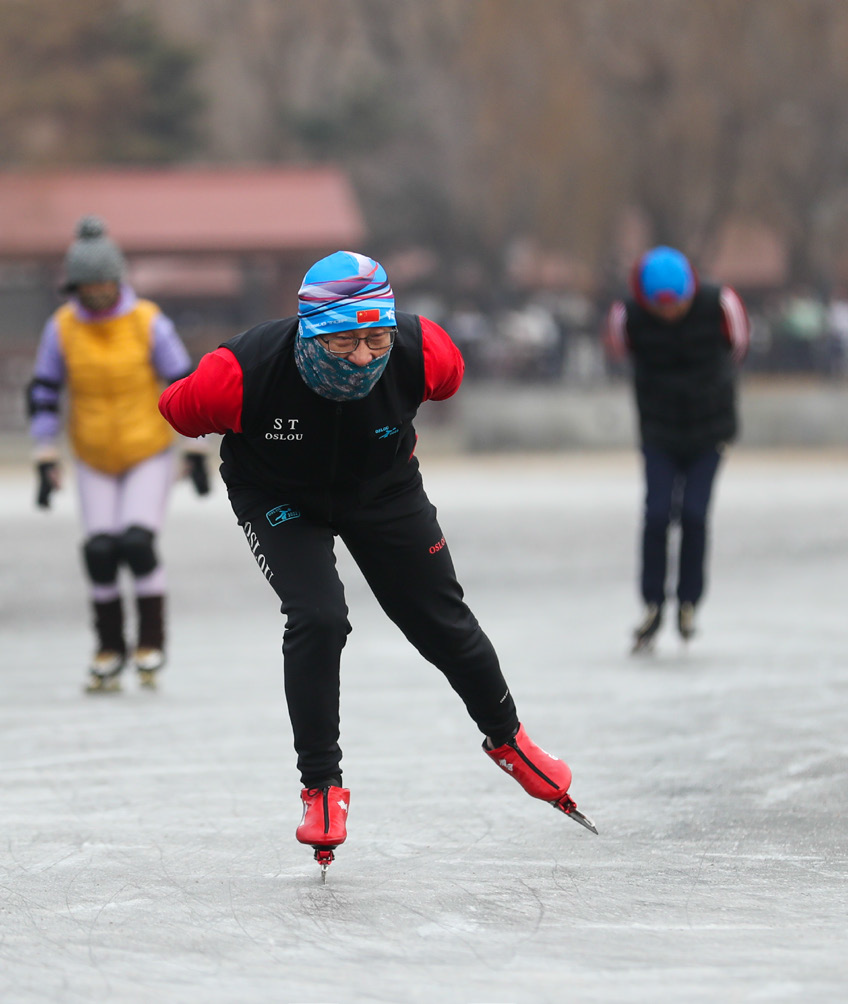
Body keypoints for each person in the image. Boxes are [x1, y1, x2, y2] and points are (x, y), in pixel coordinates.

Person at [158, 250, 594, 874]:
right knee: (319, 618)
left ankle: (510, 741)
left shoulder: (427, 353)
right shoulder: (239, 374)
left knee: (441, 620)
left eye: (377, 337)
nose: (365, 357)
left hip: (382, 490)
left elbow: (444, 381)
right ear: (310, 333)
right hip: (280, 499)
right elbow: (175, 410)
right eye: (343, 343)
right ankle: (322, 788)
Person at [27, 215, 209, 693]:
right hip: (92, 454)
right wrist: (45, 454)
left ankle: (151, 642)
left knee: (136, 542)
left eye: (106, 282)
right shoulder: (62, 328)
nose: (99, 292)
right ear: (75, 285)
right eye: (89, 284)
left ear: (119, 279)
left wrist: (195, 448)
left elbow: (184, 383)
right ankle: (108, 647)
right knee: (100, 551)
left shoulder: (147, 321)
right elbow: (45, 391)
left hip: (147, 450)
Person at [604, 246, 749, 652]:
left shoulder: (720, 303)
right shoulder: (628, 316)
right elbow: (619, 350)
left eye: (678, 304)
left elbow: (738, 346)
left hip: (709, 431)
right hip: (660, 432)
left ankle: (688, 601)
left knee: (694, 514)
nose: (670, 313)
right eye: (660, 307)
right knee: (655, 516)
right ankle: (652, 603)